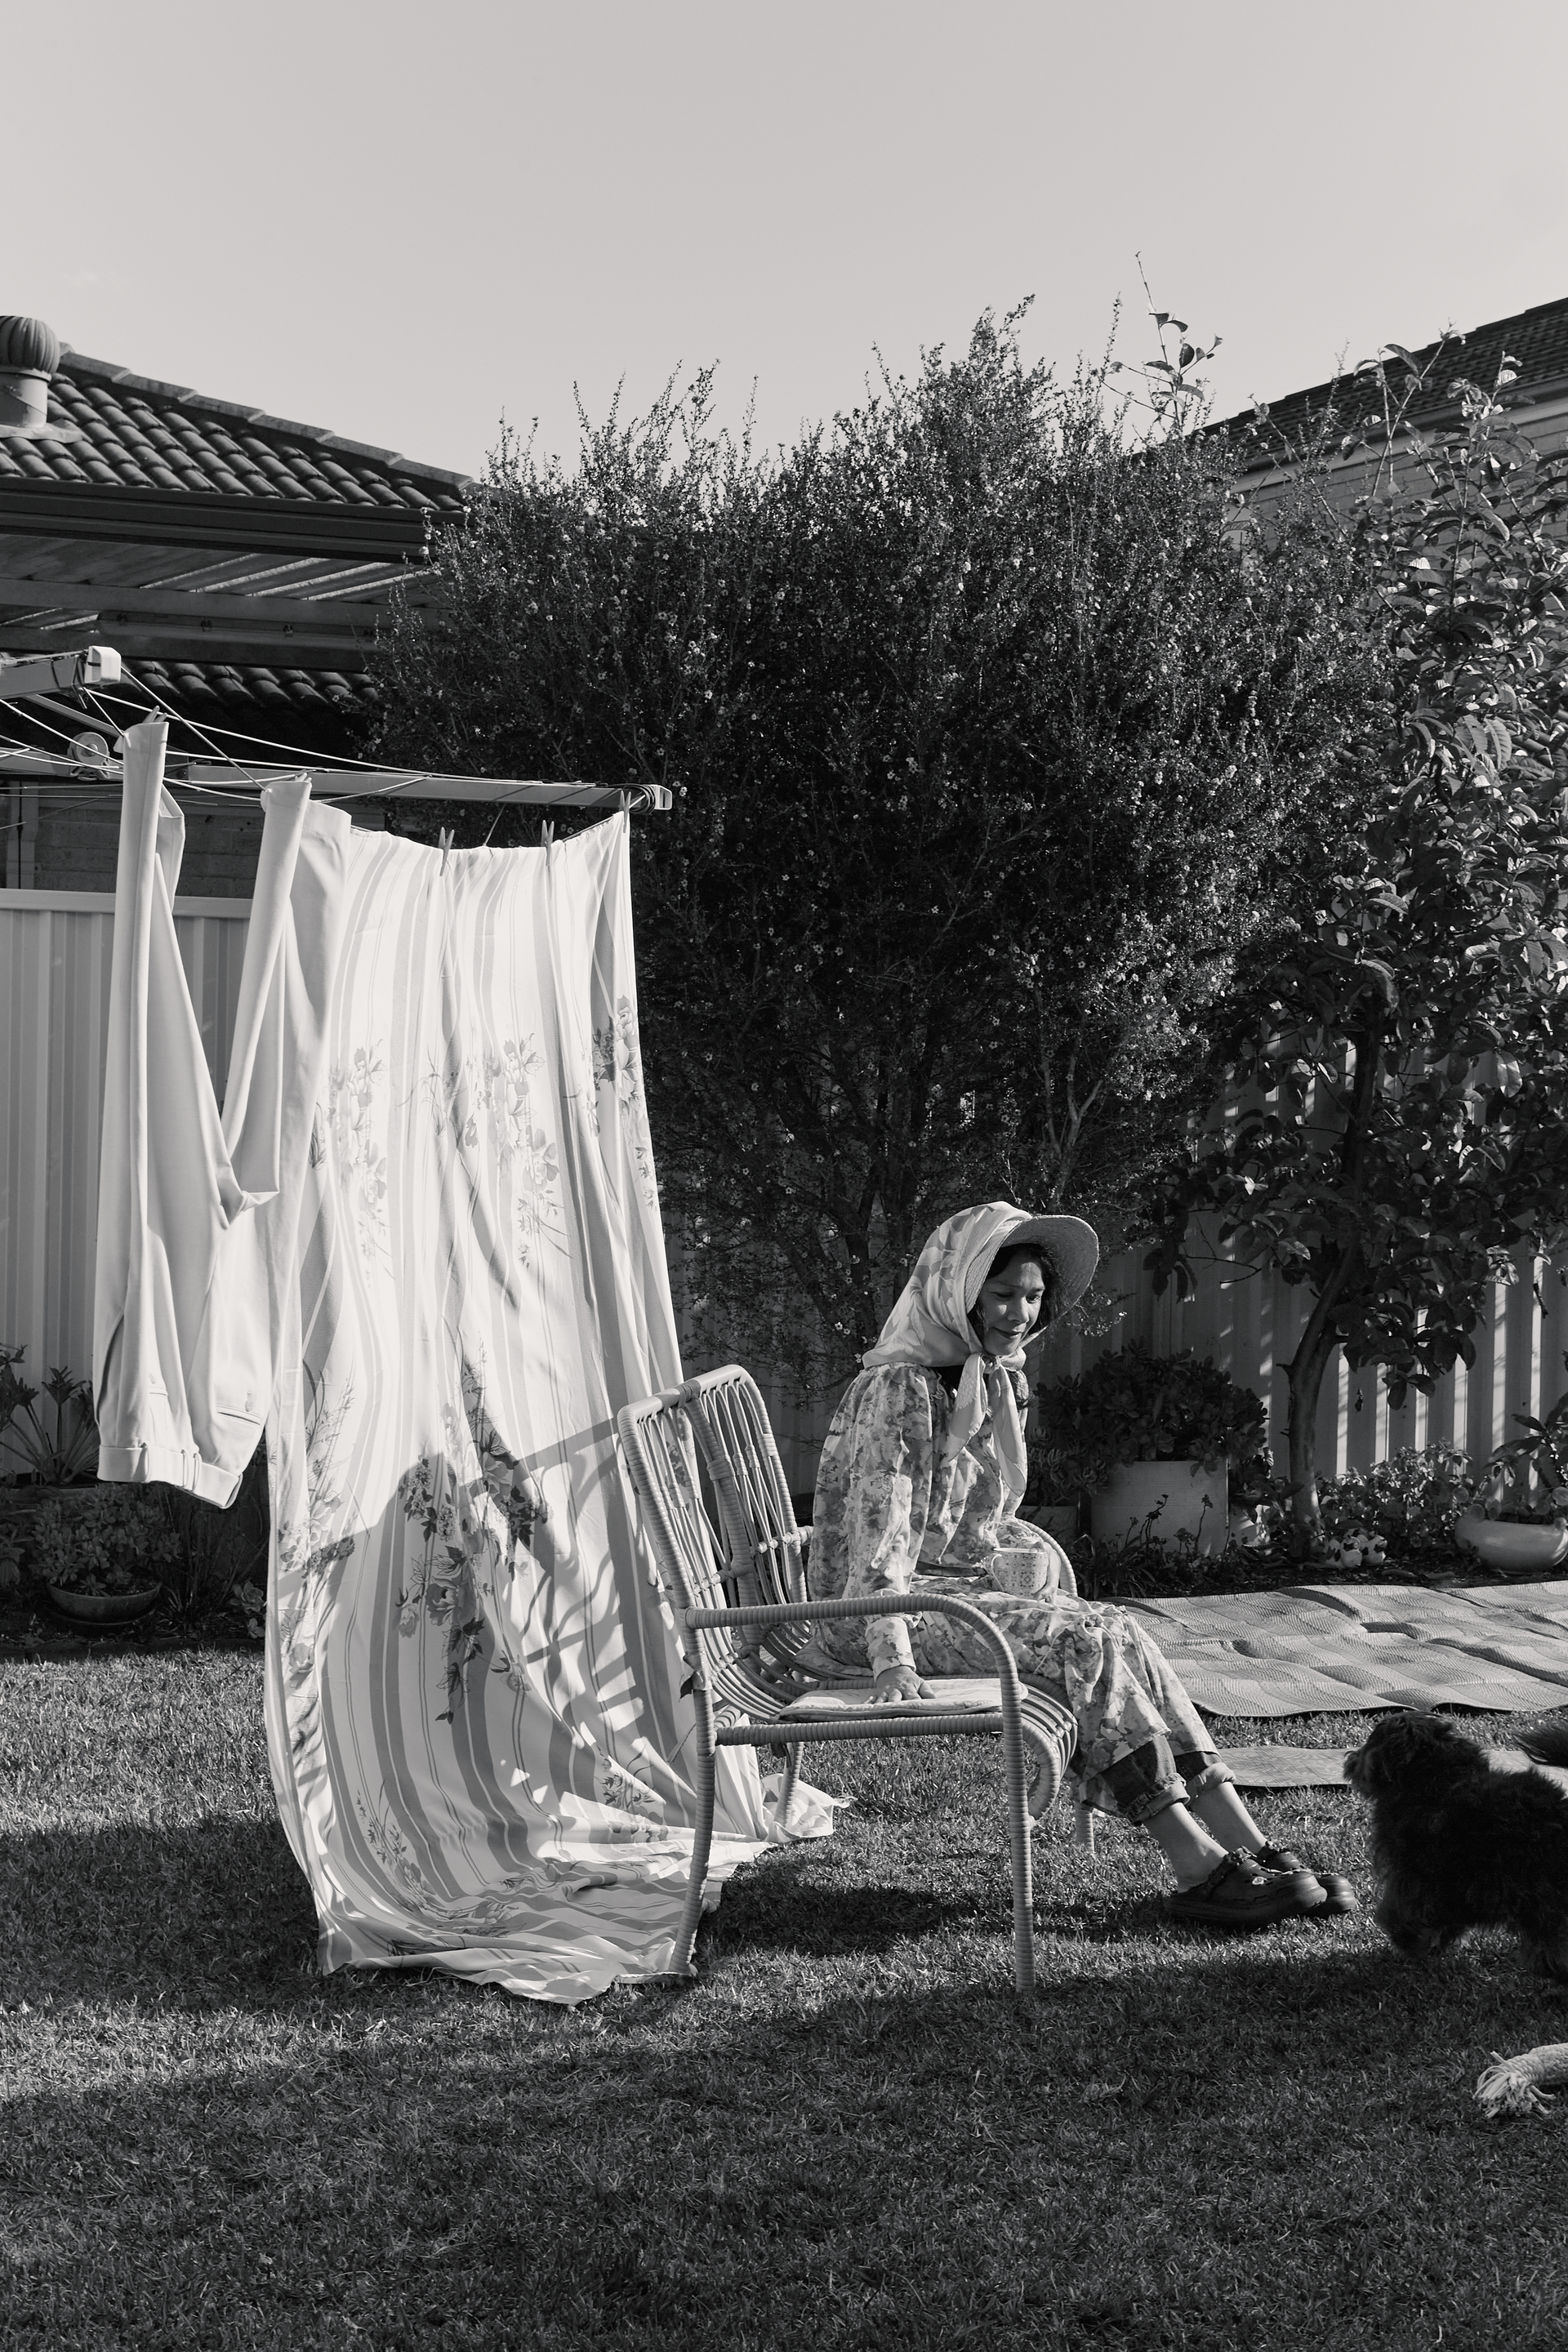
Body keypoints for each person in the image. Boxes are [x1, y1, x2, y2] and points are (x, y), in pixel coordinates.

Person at [808, 1202, 1356, 1928]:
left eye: (1033, 1297)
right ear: (957, 1291)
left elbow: (973, 1522)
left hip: (956, 1591)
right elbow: (879, 1540)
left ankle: (1250, 1846)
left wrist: (1019, 1562)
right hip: (881, 1614)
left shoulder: (988, 1377)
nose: (1019, 1314)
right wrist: (891, 1661)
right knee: (1080, 1641)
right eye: (1002, 1295)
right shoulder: (900, 1387)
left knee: (1117, 1626)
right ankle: (1197, 1867)